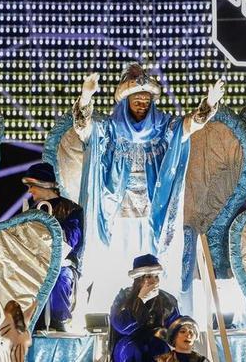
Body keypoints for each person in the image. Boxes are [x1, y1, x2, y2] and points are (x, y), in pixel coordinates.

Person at [73, 63, 224, 307]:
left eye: (146, 101)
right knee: (118, 260)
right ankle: (117, 306)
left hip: (152, 209)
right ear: (126, 102)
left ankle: (155, 306)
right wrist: (86, 97)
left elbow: (188, 127)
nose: (142, 105)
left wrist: (208, 104)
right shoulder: (111, 128)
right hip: (118, 208)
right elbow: (84, 129)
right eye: (137, 101)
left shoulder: (163, 126)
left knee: (151, 257)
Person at [21, 162, 83, 331]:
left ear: (43, 184)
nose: (29, 191)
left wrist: (46, 228)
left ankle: (58, 322)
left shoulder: (71, 209)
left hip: (62, 263)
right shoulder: (31, 210)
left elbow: (72, 239)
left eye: (32, 186)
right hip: (35, 263)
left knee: (60, 278)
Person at [110, 254, 180, 362]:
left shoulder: (167, 300)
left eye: (156, 276)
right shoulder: (124, 297)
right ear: (138, 279)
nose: (154, 281)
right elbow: (122, 326)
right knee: (135, 349)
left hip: (155, 345)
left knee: (161, 350)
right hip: (128, 347)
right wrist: (141, 300)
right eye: (148, 277)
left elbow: (175, 326)